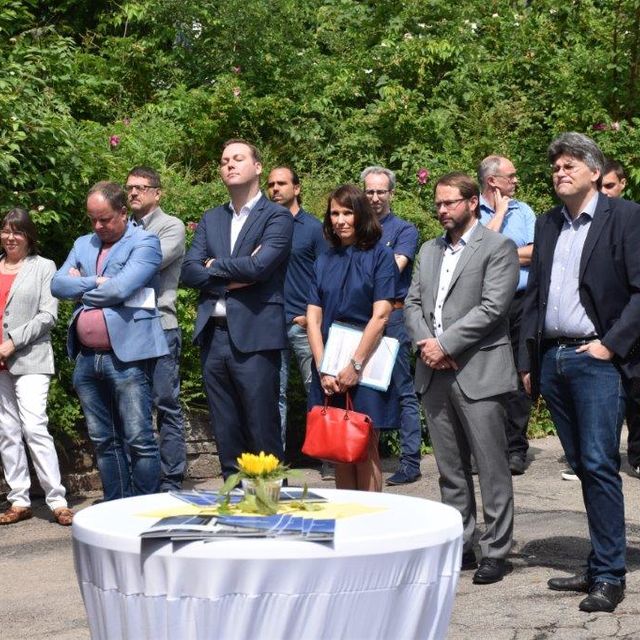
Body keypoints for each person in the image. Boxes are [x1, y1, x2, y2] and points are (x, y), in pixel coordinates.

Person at [519, 132, 640, 612]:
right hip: (554, 359)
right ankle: (599, 560)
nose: (560, 172)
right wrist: (530, 359)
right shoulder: (549, 224)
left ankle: (610, 575)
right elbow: (536, 295)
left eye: (570, 164)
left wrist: (610, 347)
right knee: (583, 467)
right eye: (555, 168)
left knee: (598, 464)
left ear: (595, 171)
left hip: (596, 361)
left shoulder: (626, 218)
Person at [404, 172, 519, 585]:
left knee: (491, 467)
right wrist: (425, 345)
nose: (441, 210)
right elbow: (413, 302)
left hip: (478, 371)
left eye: (449, 203)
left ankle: (497, 550)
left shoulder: (498, 247)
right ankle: (464, 544)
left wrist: (445, 344)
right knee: (450, 470)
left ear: (473, 203)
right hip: (433, 372)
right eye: (438, 204)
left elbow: (492, 308)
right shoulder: (429, 250)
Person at [181, 140, 293, 479]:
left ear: (257, 167)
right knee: (226, 431)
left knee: (262, 429)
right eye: (224, 160)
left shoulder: (276, 216)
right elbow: (189, 270)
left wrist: (212, 267)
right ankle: (235, 511)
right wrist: (231, 273)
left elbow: (260, 267)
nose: (230, 165)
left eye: (238, 158)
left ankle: (272, 508)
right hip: (214, 337)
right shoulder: (212, 217)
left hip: (256, 336)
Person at [51, 181, 168, 501]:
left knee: (139, 438)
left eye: (105, 219)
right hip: (87, 358)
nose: (98, 226)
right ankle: (116, 506)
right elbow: (57, 286)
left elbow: (121, 288)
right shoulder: (82, 243)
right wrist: (96, 281)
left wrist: (83, 287)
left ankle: (144, 507)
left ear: (123, 212)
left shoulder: (145, 242)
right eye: (93, 219)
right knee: (103, 439)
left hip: (128, 356)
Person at [306, 184, 399, 492]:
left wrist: (355, 365)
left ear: (361, 215)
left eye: (347, 212)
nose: (341, 220)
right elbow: (313, 317)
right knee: (340, 450)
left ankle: (373, 525)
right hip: (329, 363)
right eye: (335, 213)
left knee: (364, 444)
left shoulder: (380, 256)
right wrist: (323, 368)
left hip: (367, 360)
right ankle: (348, 525)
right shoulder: (323, 260)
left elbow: (381, 316)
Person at [0, 208, 72, 526]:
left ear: (29, 236)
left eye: (17, 231)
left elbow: (48, 315)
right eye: (5, 230)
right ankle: (19, 500)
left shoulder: (44, 267)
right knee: (7, 432)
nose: (10, 236)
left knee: (34, 427)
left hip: (30, 358)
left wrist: (12, 342)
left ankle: (57, 500)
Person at [126, 166, 187, 491]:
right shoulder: (123, 227)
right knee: (133, 407)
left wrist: (121, 263)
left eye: (141, 187)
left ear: (157, 192)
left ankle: (172, 479)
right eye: (130, 188)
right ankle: (142, 481)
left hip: (161, 326)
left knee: (166, 404)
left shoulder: (171, 226)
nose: (134, 193)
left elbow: (145, 265)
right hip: (127, 330)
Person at [361, 166, 422, 485]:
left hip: (395, 317)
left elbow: (395, 268)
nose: (374, 198)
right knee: (364, 389)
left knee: (402, 389)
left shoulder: (404, 230)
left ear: (390, 194)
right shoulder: (356, 230)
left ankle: (410, 461)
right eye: (369, 191)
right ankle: (361, 455)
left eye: (380, 191)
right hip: (362, 319)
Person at [266, 167, 329, 471]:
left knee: (316, 389)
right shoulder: (263, 226)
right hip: (269, 323)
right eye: (271, 184)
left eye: (281, 183)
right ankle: (274, 463)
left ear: (297, 188)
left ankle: (329, 459)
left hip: (304, 324)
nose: (275, 188)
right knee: (272, 396)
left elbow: (327, 275)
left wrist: (313, 315)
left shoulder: (314, 228)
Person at [477, 155, 536, 475]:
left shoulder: (524, 211)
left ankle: (516, 449)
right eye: (511, 176)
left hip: (521, 303)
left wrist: (498, 255)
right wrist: (499, 214)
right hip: (486, 304)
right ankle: (486, 448)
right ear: (493, 182)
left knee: (518, 375)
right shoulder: (472, 210)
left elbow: (537, 251)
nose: (516, 180)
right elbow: (474, 252)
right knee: (484, 375)